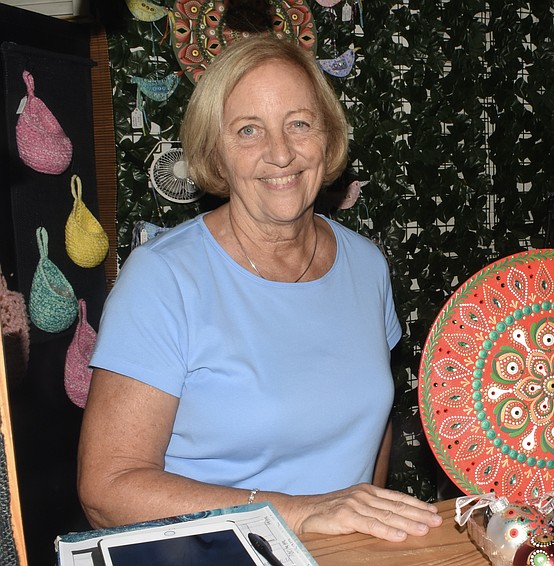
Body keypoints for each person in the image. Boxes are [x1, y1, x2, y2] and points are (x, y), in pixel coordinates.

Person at [77, 35, 442, 542]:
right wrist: (299, 513)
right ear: (216, 154)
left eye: (299, 124)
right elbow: (107, 490)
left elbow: (368, 434)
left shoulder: (366, 265)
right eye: (249, 130)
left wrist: (357, 538)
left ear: (328, 137)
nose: (280, 153)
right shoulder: (163, 278)